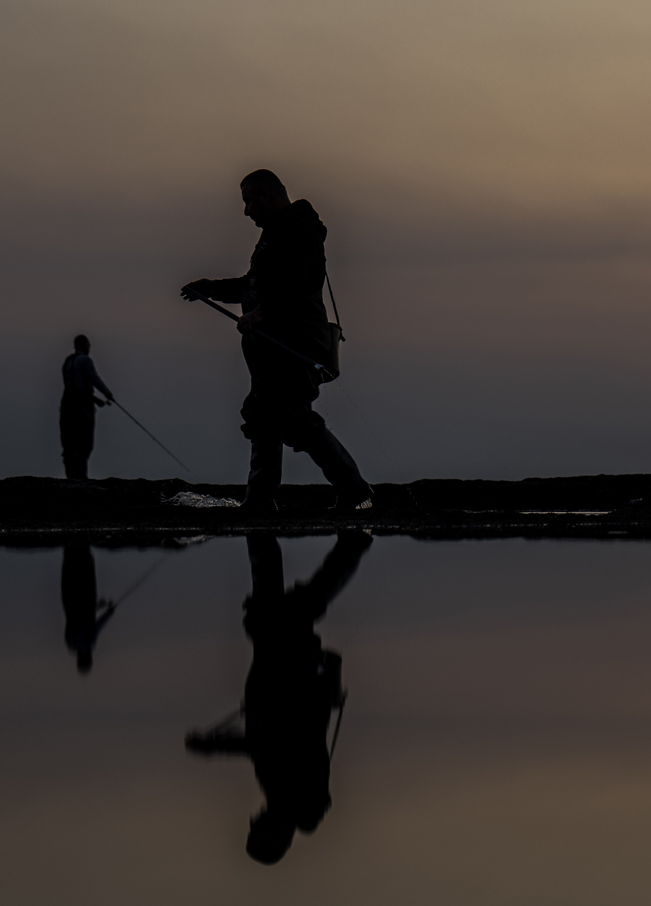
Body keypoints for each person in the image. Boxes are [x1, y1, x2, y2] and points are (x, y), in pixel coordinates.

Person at [180, 169, 372, 513]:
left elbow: (298, 283)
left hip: (295, 346)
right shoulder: (277, 233)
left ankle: (354, 490)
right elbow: (257, 284)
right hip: (275, 349)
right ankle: (260, 500)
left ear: (266, 195)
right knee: (265, 415)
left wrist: (261, 313)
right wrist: (212, 288)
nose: (246, 211)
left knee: (291, 416)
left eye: (249, 201)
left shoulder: (296, 228)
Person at [185, 530, 374, 864]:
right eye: (257, 829)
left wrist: (214, 747)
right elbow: (270, 744)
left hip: (280, 662)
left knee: (289, 596)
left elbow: (259, 747)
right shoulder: (295, 798)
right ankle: (353, 537)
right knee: (296, 599)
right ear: (276, 836)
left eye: (252, 827)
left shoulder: (284, 796)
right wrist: (216, 745)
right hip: (287, 664)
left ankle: (339, 536)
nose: (252, 819)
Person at [59, 334, 114, 480]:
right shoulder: (85, 360)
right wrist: (107, 393)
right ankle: (80, 474)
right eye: (88, 345)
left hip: (67, 405)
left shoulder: (68, 362)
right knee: (84, 440)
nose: (90, 348)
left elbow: (72, 388)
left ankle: (71, 474)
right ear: (83, 345)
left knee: (70, 441)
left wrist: (96, 400)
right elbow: (94, 379)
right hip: (82, 408)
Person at [60, 543, 117, 675]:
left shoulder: (89, 643)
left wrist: (109, 612)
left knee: (85, 570)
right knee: (70, 570)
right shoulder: (70, 644)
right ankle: (70, 547)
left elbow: (95, 624)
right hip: (69, 601)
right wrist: (100, 607)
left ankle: (82, 546)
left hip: (85, 599)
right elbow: (80, 619)